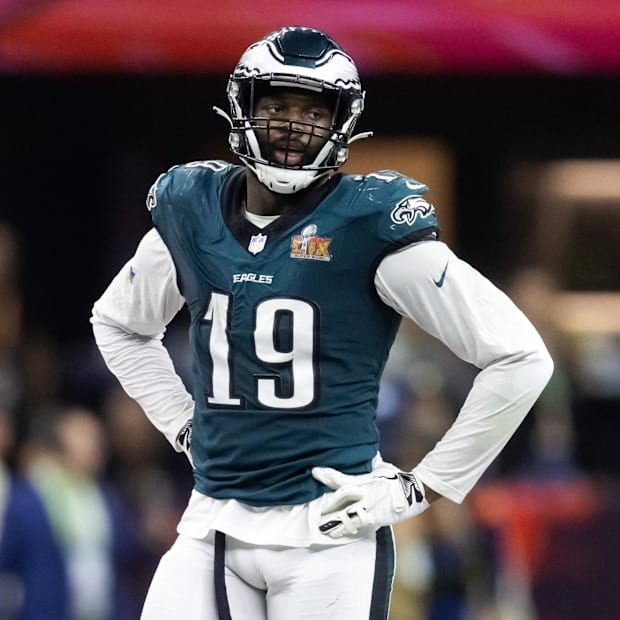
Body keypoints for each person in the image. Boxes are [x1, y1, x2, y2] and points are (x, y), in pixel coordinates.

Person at [91, 26, 553, 620]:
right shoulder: (192, 208)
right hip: (214, 520)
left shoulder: (368, 223)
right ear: (242, 106)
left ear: (343, 122)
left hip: (330, 530)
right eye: (278, 105)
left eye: (313, 111)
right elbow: (118, 325)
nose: (293, 125)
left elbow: (520, 357)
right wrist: (183, 422)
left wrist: (423, 486)